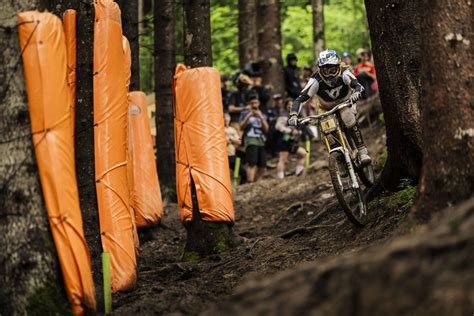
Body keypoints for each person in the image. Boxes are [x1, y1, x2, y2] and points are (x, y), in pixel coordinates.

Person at [288, 49, 372, 165]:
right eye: (325, 69)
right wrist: (293, 114)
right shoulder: (315, 80)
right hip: (325, 107)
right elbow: (300, 99)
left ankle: (362, 151)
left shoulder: (344, 72)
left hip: (345, 102)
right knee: (326, 131)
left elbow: (357, 85)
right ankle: (339, 159)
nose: (328, 74)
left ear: (338, 66)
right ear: (319, 68)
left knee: (347, 116)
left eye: (332, 69)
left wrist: (356, 93)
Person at [240, 94, 269, 182]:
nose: (254, 105)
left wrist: (261, 117)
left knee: (263, 166)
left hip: (261, 140)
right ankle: (250, 183)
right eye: (252, 103)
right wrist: (249, 116)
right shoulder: (245, 113)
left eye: (256, 103)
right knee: (252, 163)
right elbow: (241, 127)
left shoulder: (262, 114)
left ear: (259, 103)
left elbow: (266, 129)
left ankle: (255, 182)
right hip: (250, 140)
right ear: (249, 104)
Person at [275, 98, 306, 178]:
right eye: (288, 105)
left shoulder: (295, 116)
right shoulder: (283, 115)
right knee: (283, 159)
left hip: (292, 141)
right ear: (286, 106)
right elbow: (278, 126)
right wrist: (290, 131)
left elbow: (297, 128)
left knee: (303, 154)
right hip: (284, 140)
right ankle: (280, 178)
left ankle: (298, 174)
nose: (290, 106)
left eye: (292, 105)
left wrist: (299, 132)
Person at [224, 112, 245, 183]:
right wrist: (230, 140)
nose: (226, 119)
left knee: (242, 172)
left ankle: (237, 187)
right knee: (226, 175)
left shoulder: (232, 129)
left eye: (227, 117)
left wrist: (231, 140)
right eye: (224, 117)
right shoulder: (219, 129)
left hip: (233, 155)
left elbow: (239, 140)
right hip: (223, 157)